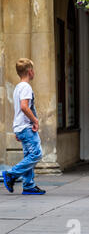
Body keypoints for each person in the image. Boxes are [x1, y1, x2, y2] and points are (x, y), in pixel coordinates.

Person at [1, 58, 45, 195]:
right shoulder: (26, 87)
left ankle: (28, 185)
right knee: (36, 154)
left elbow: (18, 110)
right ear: (30, 71)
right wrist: (35, 121)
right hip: (27, 127)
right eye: (34, 70)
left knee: (28, 155)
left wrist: (17, 128)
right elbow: (24, 107)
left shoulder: (17, 88)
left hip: (21, 127)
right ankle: (11, 174)